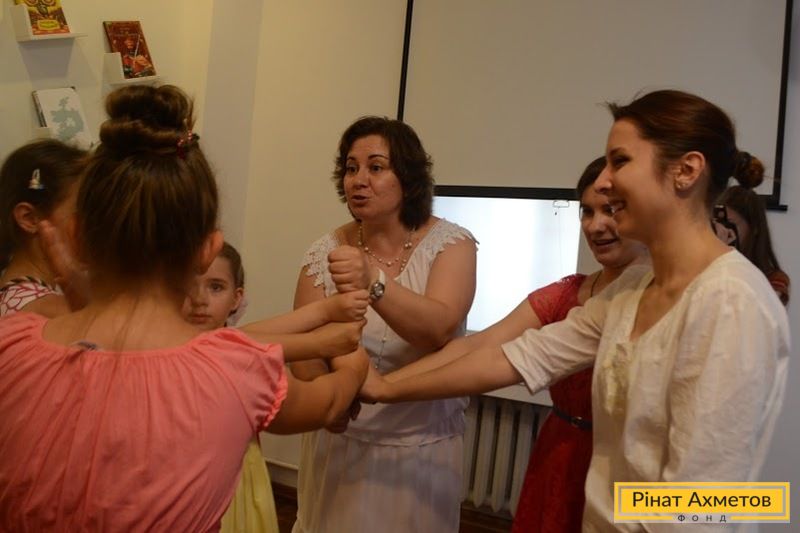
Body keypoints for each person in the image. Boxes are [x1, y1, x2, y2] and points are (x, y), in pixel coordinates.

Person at [361, 90, 790, 532]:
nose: (603, 181)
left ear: (686, 171)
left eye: (620, 161)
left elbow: (703, 507)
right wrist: (382, 388)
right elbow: (517, 356)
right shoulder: (631, 290)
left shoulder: (732, 301)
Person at [0, 84, 369, 531]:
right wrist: (354, 363)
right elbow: (328, 403)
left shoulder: (11, 341)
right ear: (207, 250)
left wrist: (75, 285)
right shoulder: (238, 370)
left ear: (76, 235)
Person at [388, 155, 648, 532]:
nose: (596, 225)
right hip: (560, 453)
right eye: (587, 211)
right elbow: (484, 347)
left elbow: (720, 492)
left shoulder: (682, 295)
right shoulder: (568, 294)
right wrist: (382, 386)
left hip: (627, 464)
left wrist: (382, 389)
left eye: (610, 210)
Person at [290, 116, 477, 533]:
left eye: (375, 167)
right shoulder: (324, 251)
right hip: (341, 442)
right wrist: (326, 404)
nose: (359, 180)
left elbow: (437, 329)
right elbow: (305, 350)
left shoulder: (452, 245)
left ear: (407, 178)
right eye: (350, 168)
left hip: (419, 448)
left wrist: (373, 280)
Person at [182, 241, 279, 533]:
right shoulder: (162, 350)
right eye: (188, 285)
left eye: (215, 287)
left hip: (235, 479)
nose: (200, 299)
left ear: (236, 298)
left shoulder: (243, 356)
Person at [0, 139, 87, 317]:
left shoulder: (13, 290)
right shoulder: (48, 312)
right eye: (82, 211)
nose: (97, 222)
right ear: (29, 218)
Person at [715, 185, 790, 306]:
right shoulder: (707, 265)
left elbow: (756, 311)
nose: (723, 231)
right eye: (718, 224)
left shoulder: (776, 280)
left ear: (754, 228)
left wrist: (727, 258)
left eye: (729, 224)